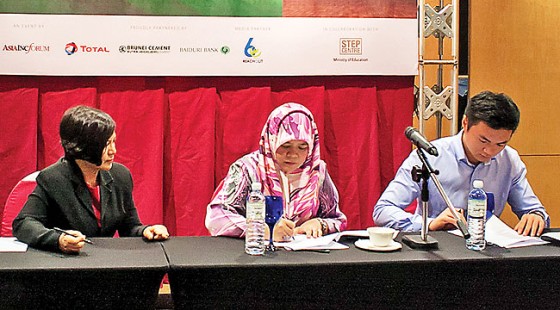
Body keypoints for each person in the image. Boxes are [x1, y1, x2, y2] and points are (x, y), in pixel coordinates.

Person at [373, 91, 549, 236]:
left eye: (500, 144)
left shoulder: (509, 161)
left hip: (488, 253)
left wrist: (535, 216)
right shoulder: (430, 156)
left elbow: (533, 209)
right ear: (465, 123)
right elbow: (383, 210)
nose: (489, 151)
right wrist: (429, 223)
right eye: (483, 140)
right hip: (437, 253)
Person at [13, 105, 169, 253]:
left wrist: (146, 231)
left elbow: (129, 227)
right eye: (106, 144)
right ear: (83, 148)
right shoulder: (53, 178)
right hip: (68, 265)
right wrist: (58, 239)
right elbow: (24, 223)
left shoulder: (121, 176)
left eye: (113, 142)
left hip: (106, 264)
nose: (113, 151)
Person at [205, 102, 347, 241]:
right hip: (257, 255)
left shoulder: (316, 171)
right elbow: (216, 217)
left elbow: (338, 219)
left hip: (304, 256)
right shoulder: (248, 168)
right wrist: (263, 230)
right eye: (285, 145)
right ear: (271, 139)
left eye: (302, 147)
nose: (293, 154)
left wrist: (320, 224)